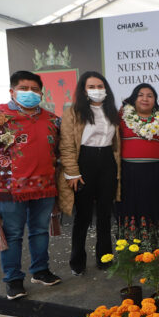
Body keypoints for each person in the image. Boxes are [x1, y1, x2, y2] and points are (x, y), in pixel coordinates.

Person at [0, 71, 62, 300]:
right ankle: (13, 279)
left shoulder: (53, 119)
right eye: (24, 88)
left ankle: (40, 271)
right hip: (9, 189)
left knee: (40, 231)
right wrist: (5, 168)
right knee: (12, 235)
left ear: (41, 92)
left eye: (35, 89)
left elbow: (59, 149)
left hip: (44, 187)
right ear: (12, 91)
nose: (30, 93)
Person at [58, 72, 120, 275]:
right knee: (83, 216)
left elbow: (117, 144)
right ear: (83, 90)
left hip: (107, 163)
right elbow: (66, 145)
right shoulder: (73, 112)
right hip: (84, 162)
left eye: (100, 85)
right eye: (91, 86)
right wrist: (72, 173)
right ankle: (77, 262)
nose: (97, 90)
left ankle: (105, 258)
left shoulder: (112, 111)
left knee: (104, 214)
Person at [117, 83, 159, 251]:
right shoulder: (122, 118)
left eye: (150, 95)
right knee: (132, 208)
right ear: (134, 98)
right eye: (141, 95)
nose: (145, 98)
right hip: (130, 172)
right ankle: (133, 248)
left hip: (156, 172)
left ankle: (157, 246)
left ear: (155, 100)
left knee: (155, 207)